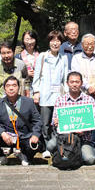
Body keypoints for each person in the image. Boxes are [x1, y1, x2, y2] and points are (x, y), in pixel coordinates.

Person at [0, 76, 43, 166]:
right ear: (4, 88)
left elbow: (37, 121)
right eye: (8, 86)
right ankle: (0, 156)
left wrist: (35, 134)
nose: (11, 88)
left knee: (35, 143)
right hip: (5, 137)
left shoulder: (29, 102)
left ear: (18, 88)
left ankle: (25, 156)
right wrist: (2, 133)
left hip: (23, 136)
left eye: (14, 85)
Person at [32, 30, 68, 158]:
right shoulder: (42, 57)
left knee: (58, 123)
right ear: (49, 42)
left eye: (58, 40)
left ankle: (58, 146)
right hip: (45, 95)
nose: (55, 43)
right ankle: (48, 147)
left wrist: (67, 95)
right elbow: (36, 77)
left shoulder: (63, 58)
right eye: (53, 40)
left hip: (59, 96)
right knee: (45, 123)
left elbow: (65, 79)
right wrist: (36, 92)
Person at [50, 71, 95, 165]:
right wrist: (56, 122)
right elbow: (54, 121)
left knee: (90, 159)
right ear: (67, 83)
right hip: (64, 138)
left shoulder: (89, 100)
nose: (74, 84)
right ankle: (63, 152)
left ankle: (77, 152)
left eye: (77, 82)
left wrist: (82, 130)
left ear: (81, 83)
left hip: (83, 138)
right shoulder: (60, 100)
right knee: (50, 146)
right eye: (72, 82)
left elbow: (93, 121)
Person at [71, 34, 95, 148]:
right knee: (85, 121)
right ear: (82, 45)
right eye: (86, 44)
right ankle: (83, 143)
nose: (89, 46)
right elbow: (76, 74)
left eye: (92, 44)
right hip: (83, 94)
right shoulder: (76, 58)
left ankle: (94, 144)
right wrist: (87, 87)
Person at [0, 41, 30, 110]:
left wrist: (28, 98)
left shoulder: (21, 65)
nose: (6, 56)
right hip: (1, 103)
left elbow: (26, 82)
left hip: (18, 103)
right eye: (3, 53)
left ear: (13, 52)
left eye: (8, 52)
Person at [15, 30, 39, 97]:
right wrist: (25, 73)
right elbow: (14, 73)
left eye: (32, 39)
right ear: (23, 41)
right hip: (23, 88)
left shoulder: (41, 56)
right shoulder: (18, 57)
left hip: (38, 87)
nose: (29, 42)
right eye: (27, 39)